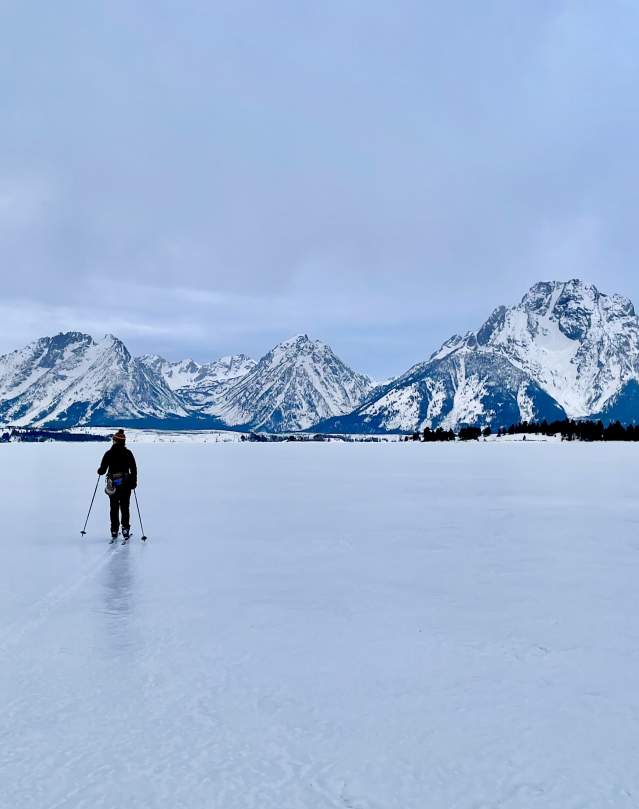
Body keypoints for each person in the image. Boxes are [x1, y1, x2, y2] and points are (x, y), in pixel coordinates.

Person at [98, 429, 138, 540]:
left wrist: (99, 471)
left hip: (113, 485)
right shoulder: (128, 453)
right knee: (125, 507)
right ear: (123, 442)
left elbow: (102, 470)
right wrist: (133, 482)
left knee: (114, 507)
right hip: (126, 484)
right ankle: (125, 529)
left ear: (115, 441)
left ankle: (114, 530)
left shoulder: (109, 453)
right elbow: (133, 469)